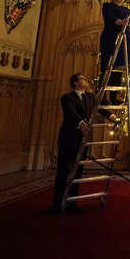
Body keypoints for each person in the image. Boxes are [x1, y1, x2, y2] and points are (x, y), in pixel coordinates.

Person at [51, 72, 96, 213]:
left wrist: (111, 116)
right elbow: (71, 113)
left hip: (82, 140)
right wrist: (81, 123)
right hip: (68, 138)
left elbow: (98, 108)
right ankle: (58, 203)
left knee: (78, 172)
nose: (85, 80)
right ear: (75, 83)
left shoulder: (89, 97)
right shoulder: (67, 97)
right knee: (63, 171)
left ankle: (72, 203)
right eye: (82, 78)